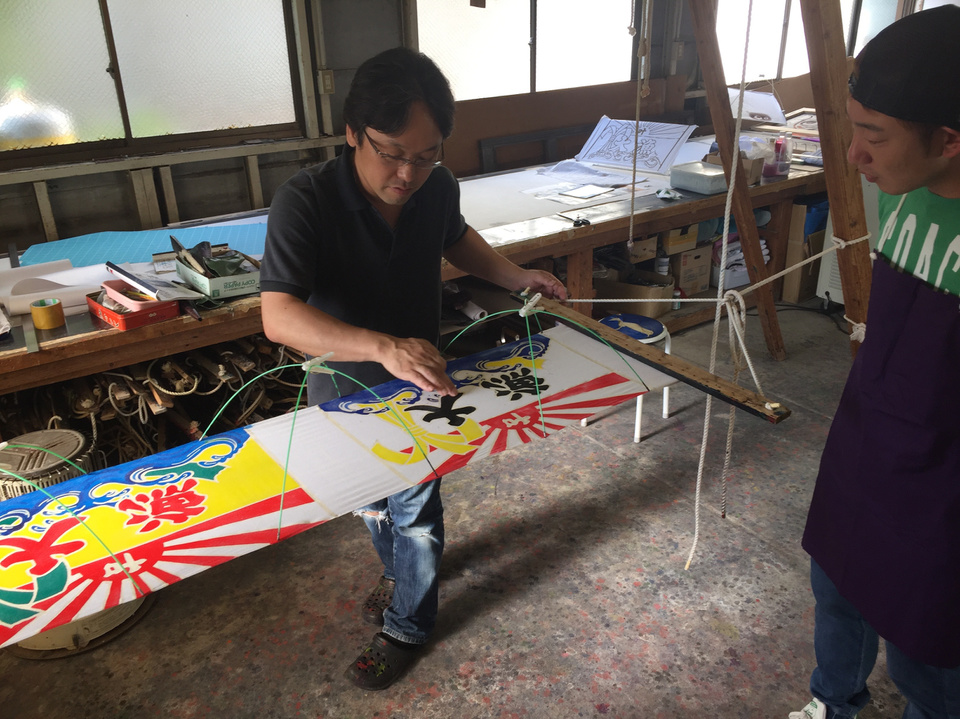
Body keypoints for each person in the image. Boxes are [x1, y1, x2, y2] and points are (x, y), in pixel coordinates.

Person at [258, 47, 566, 691]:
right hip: (341, 385)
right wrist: (381, 346)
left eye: (426, 156)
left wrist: (515, 275)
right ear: (352, 133)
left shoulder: (437, 186)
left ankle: (408, 625)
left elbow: (456, 238)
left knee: (417, 512)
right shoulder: (305, 200)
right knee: (371, 502)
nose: (408, 173)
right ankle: (401, 571)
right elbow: (279, 316)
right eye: (392, 153)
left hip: (421, 383)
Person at [789, 7, 960, 719]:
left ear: (949, 139)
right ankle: (834, 704)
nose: (855, 154)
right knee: (838, 585)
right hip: (867, 440)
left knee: (929, 656)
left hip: (944, 485)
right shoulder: (908, 190)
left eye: (874, 135)